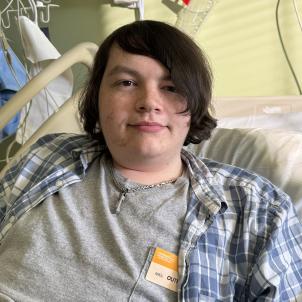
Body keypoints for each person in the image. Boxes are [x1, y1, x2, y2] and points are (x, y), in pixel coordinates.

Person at [0, 20, 301, 302]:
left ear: (194, 107)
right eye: (127, 83)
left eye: (171, 88)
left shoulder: (258, 211)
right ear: (96, 97)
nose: (149, 102)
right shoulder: (49, 156)